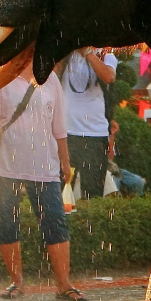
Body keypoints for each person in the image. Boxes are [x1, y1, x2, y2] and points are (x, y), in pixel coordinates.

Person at [0, 62, 86, 301]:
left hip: (44, 166)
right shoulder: (1, 77)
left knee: (54, 222)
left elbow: (59, 126)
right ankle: (16, 282)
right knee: (6, 224)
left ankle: (64, 284)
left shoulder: (50, 79)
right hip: (4, 164)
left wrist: (64, 161)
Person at [58, 47, 118, 199]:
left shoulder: (106, 55)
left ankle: (89, 221)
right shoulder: (65, 56)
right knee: (61, 191)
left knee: (93, 194)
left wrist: (87, 52)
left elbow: (109, 77)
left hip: (95, 134)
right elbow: (49, 75)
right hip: (66, 133)